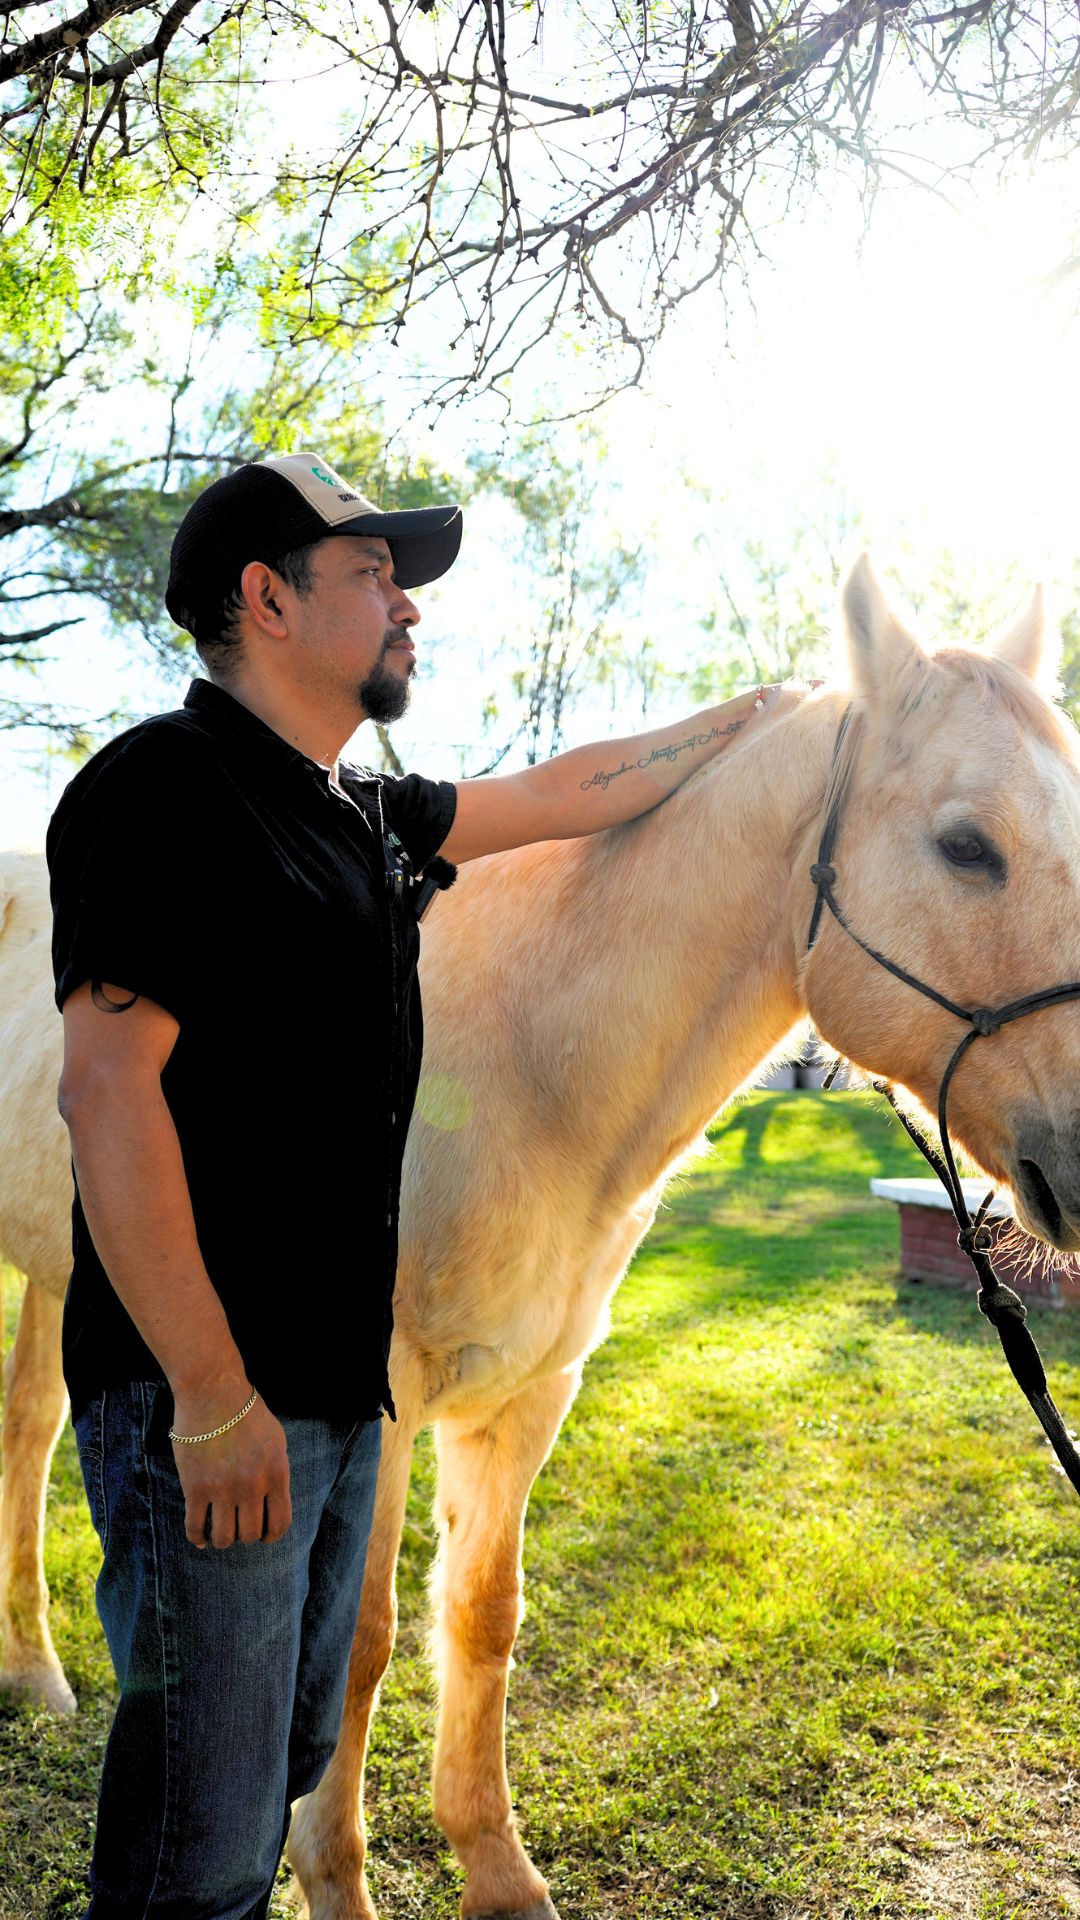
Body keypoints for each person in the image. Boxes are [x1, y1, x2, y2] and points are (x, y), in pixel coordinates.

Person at [48, 450, 775, 1919]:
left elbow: (566, 792)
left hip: (333, 1391)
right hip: (213, 1403)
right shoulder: (161, 790)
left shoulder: (359, 813)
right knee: (200, 1833)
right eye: (376, 574)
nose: (409, 608)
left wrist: (765, 728)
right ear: (266, 599)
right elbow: (107, 1093)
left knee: (286, 1756)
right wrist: (207, 1397)